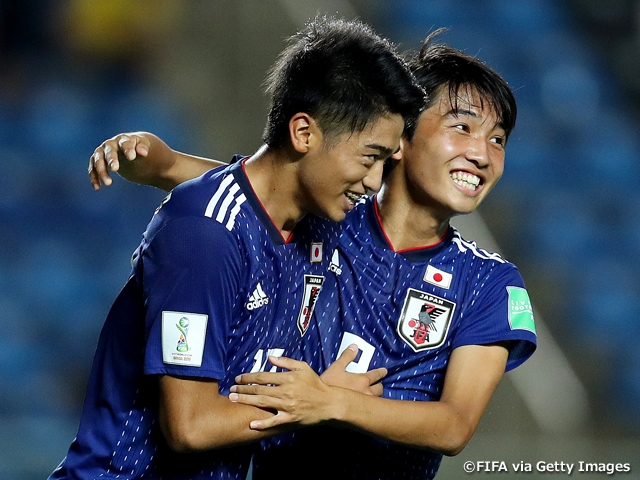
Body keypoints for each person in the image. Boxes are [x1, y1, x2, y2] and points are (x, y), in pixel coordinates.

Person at [88, 30, 537, 480]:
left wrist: (332, 402)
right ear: (402, 135)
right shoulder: (326, 217)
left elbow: (455, 425)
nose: (482, 153)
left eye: (498, 139)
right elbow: (259, 191)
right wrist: (165, 165)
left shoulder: (490, 282)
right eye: (462, 127)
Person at [50, 16, 424, 480]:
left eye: (385, 164)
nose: (373, 182)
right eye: (370, 158)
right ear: (304, 133)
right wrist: (317, 402)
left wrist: (167, 164)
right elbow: (189, 427)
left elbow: (250, 192)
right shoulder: (203, 236)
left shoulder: (310, 222)